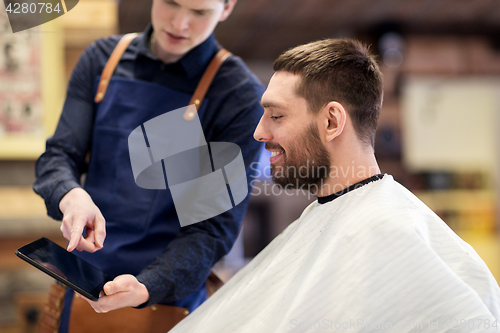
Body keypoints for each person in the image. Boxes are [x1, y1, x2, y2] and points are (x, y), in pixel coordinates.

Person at [168, 38, 500, 333]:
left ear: (331, 122)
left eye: (276, 116)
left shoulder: (389, 230)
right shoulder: (328, 216)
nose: (259, 132)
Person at [33, 0, 264, 331]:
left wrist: (147, 285)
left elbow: (212, 229)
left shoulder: (238, 95)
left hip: (165, 302)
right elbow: (58, 156)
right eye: (172, 2)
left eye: (199, 13)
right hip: (81, 284)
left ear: (227, 8)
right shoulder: (102, 60)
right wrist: (70, 195)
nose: (180, 23)